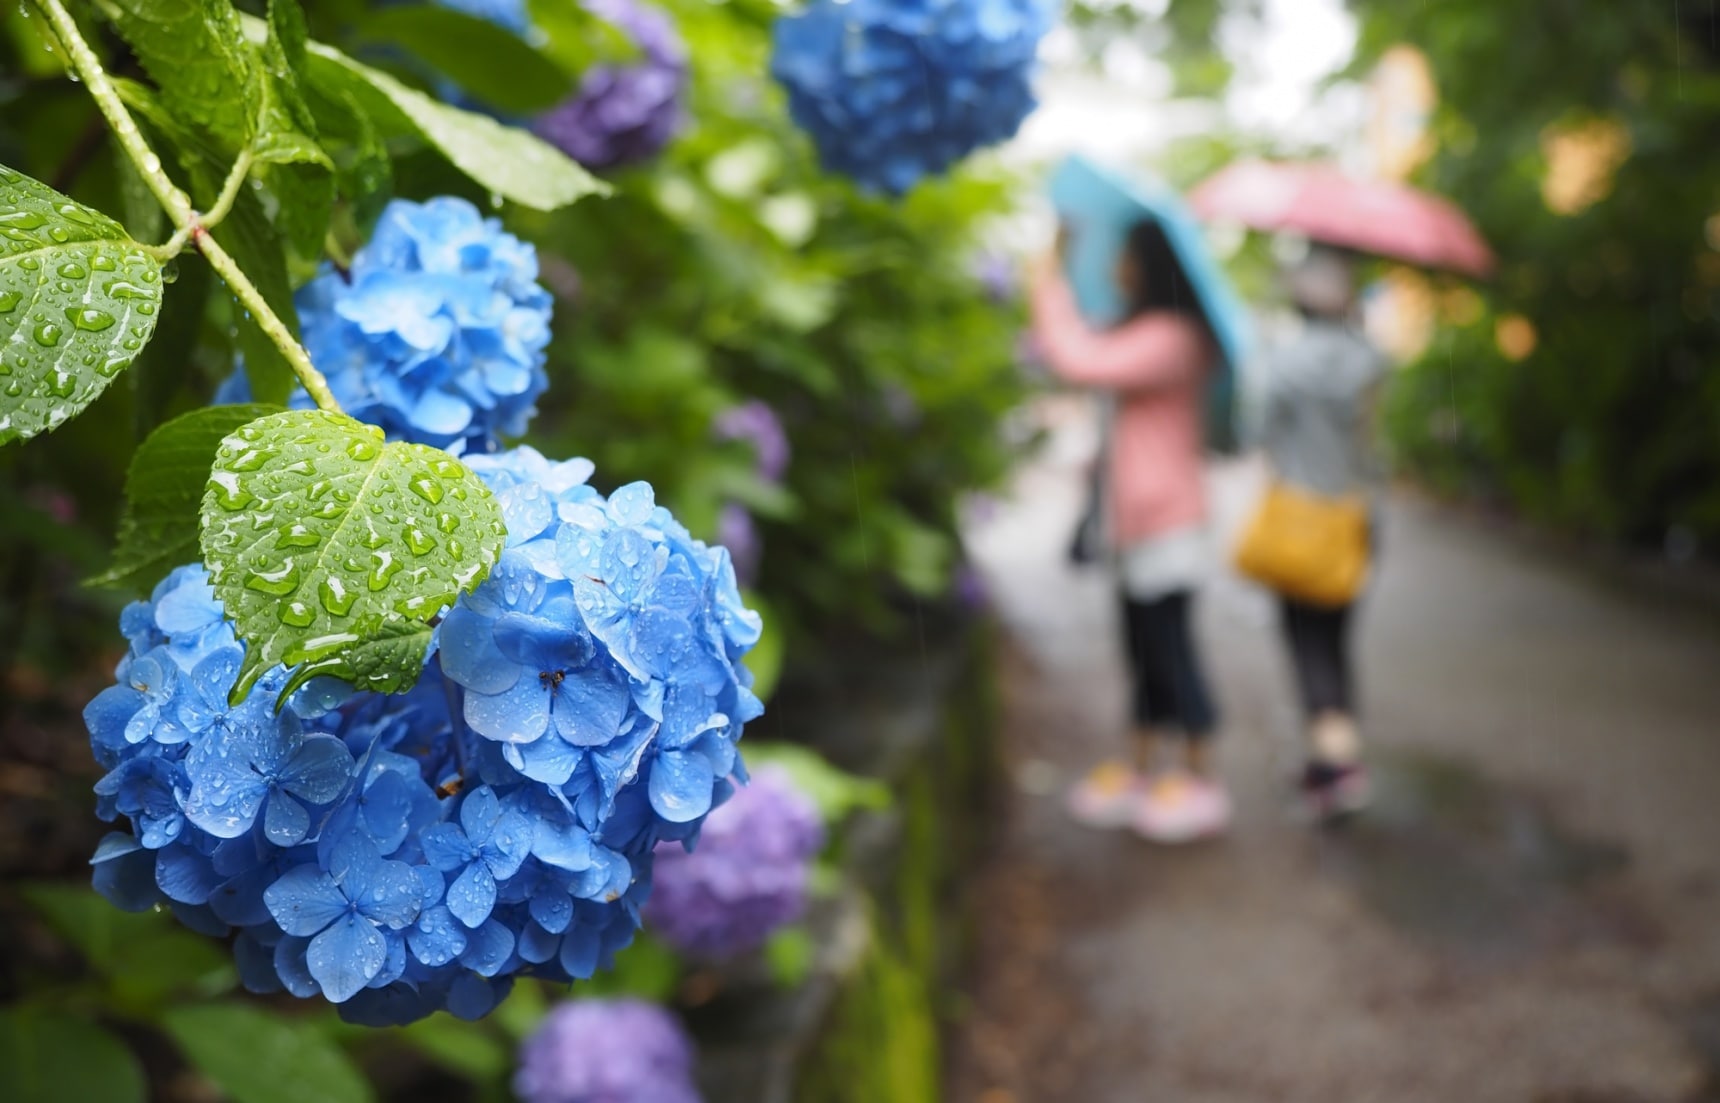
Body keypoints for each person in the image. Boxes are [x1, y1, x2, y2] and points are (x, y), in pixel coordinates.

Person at [1029, 219, 1229, 843]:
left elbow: (1078, 359)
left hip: (1165, 524)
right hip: (1134, 525)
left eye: (1124, 257)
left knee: (1171, 652)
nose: (1116, 268)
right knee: (1142, 654)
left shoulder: (1174, 336)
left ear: (1150, 262)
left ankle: (1198, 777)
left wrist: (1047, 278)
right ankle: (1144, 768)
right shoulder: (1147, 329)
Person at [1251, 244, 1385, 820]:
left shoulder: (1282, 363)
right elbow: (1370, 439)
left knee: (1306, 647)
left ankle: (1340, 769)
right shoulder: (1371, 361)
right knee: (1336, 640)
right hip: (1357, 516)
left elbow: (1258, 432)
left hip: (1301, 519)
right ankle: (1328, 758)